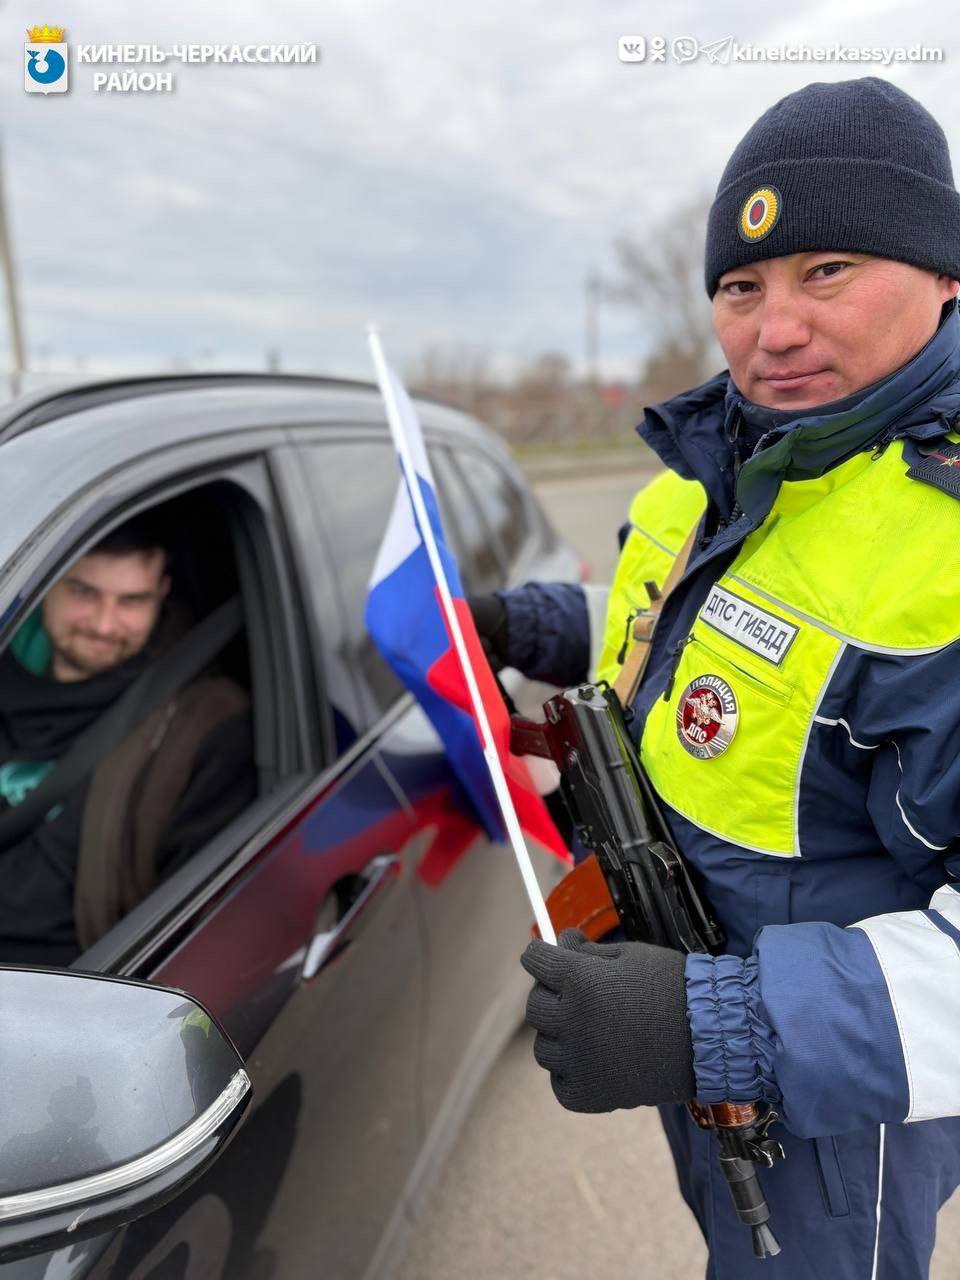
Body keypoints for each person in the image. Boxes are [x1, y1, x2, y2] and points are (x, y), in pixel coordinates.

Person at [495, 77, 960, 1279]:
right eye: (741, 287)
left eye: (826, 271)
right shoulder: (716, 473)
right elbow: (680, 630)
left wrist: (722, 1025)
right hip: (693, 1022)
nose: (774, 328)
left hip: (829, 1100)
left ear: (946, 275)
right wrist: (525, 622)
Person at [0, 512, 257, 966]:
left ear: (163, 592)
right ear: (44, 585)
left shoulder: (206, 725)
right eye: (84, 592)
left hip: (57, 982)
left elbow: (191, 934)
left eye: (132, 601)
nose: (104, 625)